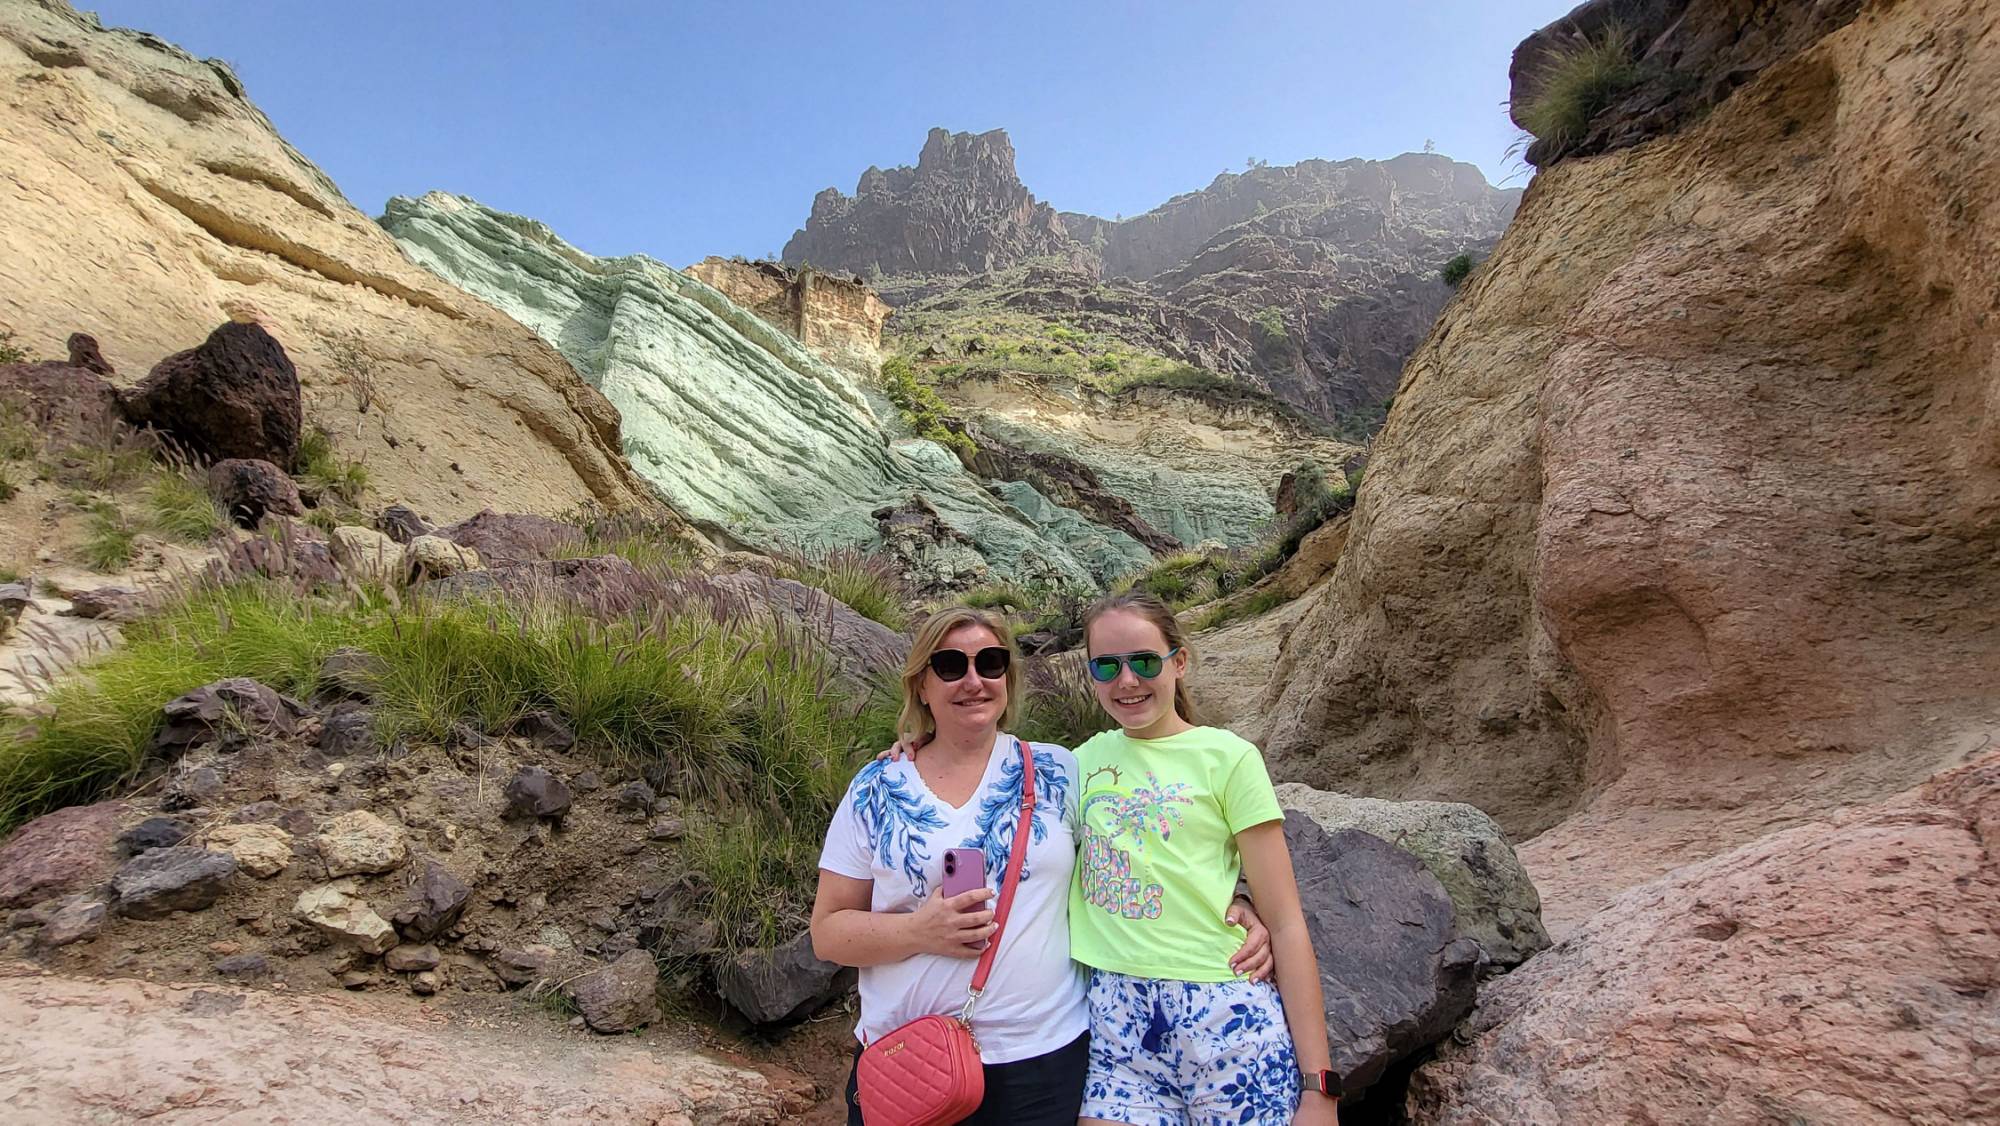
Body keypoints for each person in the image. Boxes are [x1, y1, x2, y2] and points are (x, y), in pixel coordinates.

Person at [811, 607, 1272, 1125]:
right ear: (922, 684)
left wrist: (1238, 896)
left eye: (990, 663)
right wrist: (919, 931)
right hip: (910, 1063)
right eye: (950, 666)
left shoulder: (1061, 770)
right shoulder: (876, 788)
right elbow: (827, 933)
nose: (973, 681)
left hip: (1043, 1063)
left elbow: (1152, 847)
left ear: (1007, 677)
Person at [1073, 590, 1338, 1126]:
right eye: (1107, 665)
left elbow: (1286, 922)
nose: (1127, 681)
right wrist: (913, 750)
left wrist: (1320, 1089)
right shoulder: (1074, 765)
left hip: (1227, 1018)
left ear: (1180, 662)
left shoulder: (1229, 758)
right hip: (1114, 1030)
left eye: (1145, 662)